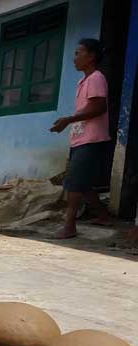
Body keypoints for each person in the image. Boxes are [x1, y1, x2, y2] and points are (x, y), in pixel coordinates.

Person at [50, 38, 113, 238]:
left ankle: (70, 226)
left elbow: (98, 107)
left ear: (91, 56)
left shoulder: (96, 78)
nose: (74, 58)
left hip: (91, 139)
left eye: (78, 53)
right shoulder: (83, 80)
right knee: (83, 183)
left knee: (74, 183)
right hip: (81, 138)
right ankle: (103, 216)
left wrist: (69, 120)